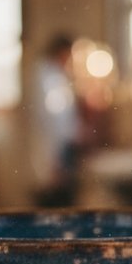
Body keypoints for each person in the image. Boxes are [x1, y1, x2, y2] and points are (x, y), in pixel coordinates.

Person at [30, 33, 82, 207]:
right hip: (52, 148)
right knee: (54, 201)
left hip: (61, 145)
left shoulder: (57, 75)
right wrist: (54, 159)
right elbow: (50, 119)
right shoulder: (45, 76)